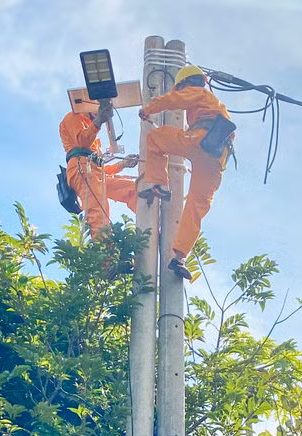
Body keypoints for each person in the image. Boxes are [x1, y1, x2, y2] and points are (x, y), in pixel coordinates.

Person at [138, 65, 235, 281]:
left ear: (185, 84)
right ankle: (179, 257)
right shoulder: (218, 106)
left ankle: (160, 185)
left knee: (155, 137)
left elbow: (174, 100)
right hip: (216, 159)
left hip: (199, 141)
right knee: (196, 208)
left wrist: (148, 109)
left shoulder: (198, 93)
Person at [59, 100, 139, 239]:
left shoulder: (92, 134)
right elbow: (82, 141)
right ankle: (105, 256)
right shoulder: (73, 117)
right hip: (80, 168)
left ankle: (153, 223)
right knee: (98, 212)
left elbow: (100, 169)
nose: (98, 113)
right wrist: (98, 122)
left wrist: (122, 164)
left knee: (133, 189)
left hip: (93, 172)